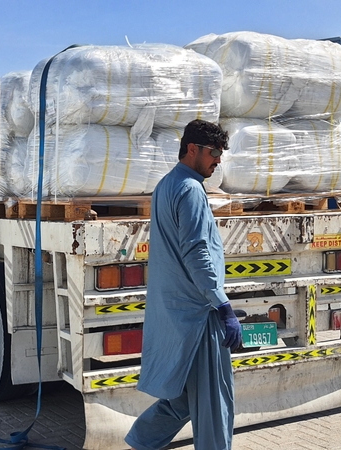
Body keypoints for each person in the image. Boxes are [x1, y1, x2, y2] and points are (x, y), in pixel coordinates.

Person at [125, 119, 242, 450]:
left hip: (178, 312)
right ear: (193, 149)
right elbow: (196, 254)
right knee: (213, 402)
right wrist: (222, 305)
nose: (218, 160)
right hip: (200, 314)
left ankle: (140, 441)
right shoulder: (189, 190)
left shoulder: (166, 185)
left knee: (182, 398)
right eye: (214, 153)